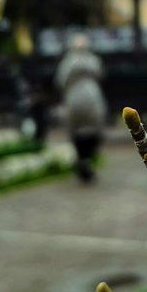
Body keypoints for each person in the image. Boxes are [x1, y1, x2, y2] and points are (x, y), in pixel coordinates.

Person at [55, 34, 107, 182]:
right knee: (93, 130)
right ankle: (87, 160)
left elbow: (60, 82)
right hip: (93, 101)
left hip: (72, 102)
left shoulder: (67, 63)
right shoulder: (93, 61)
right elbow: (100, 75)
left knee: (76, 131)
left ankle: (82, 159)